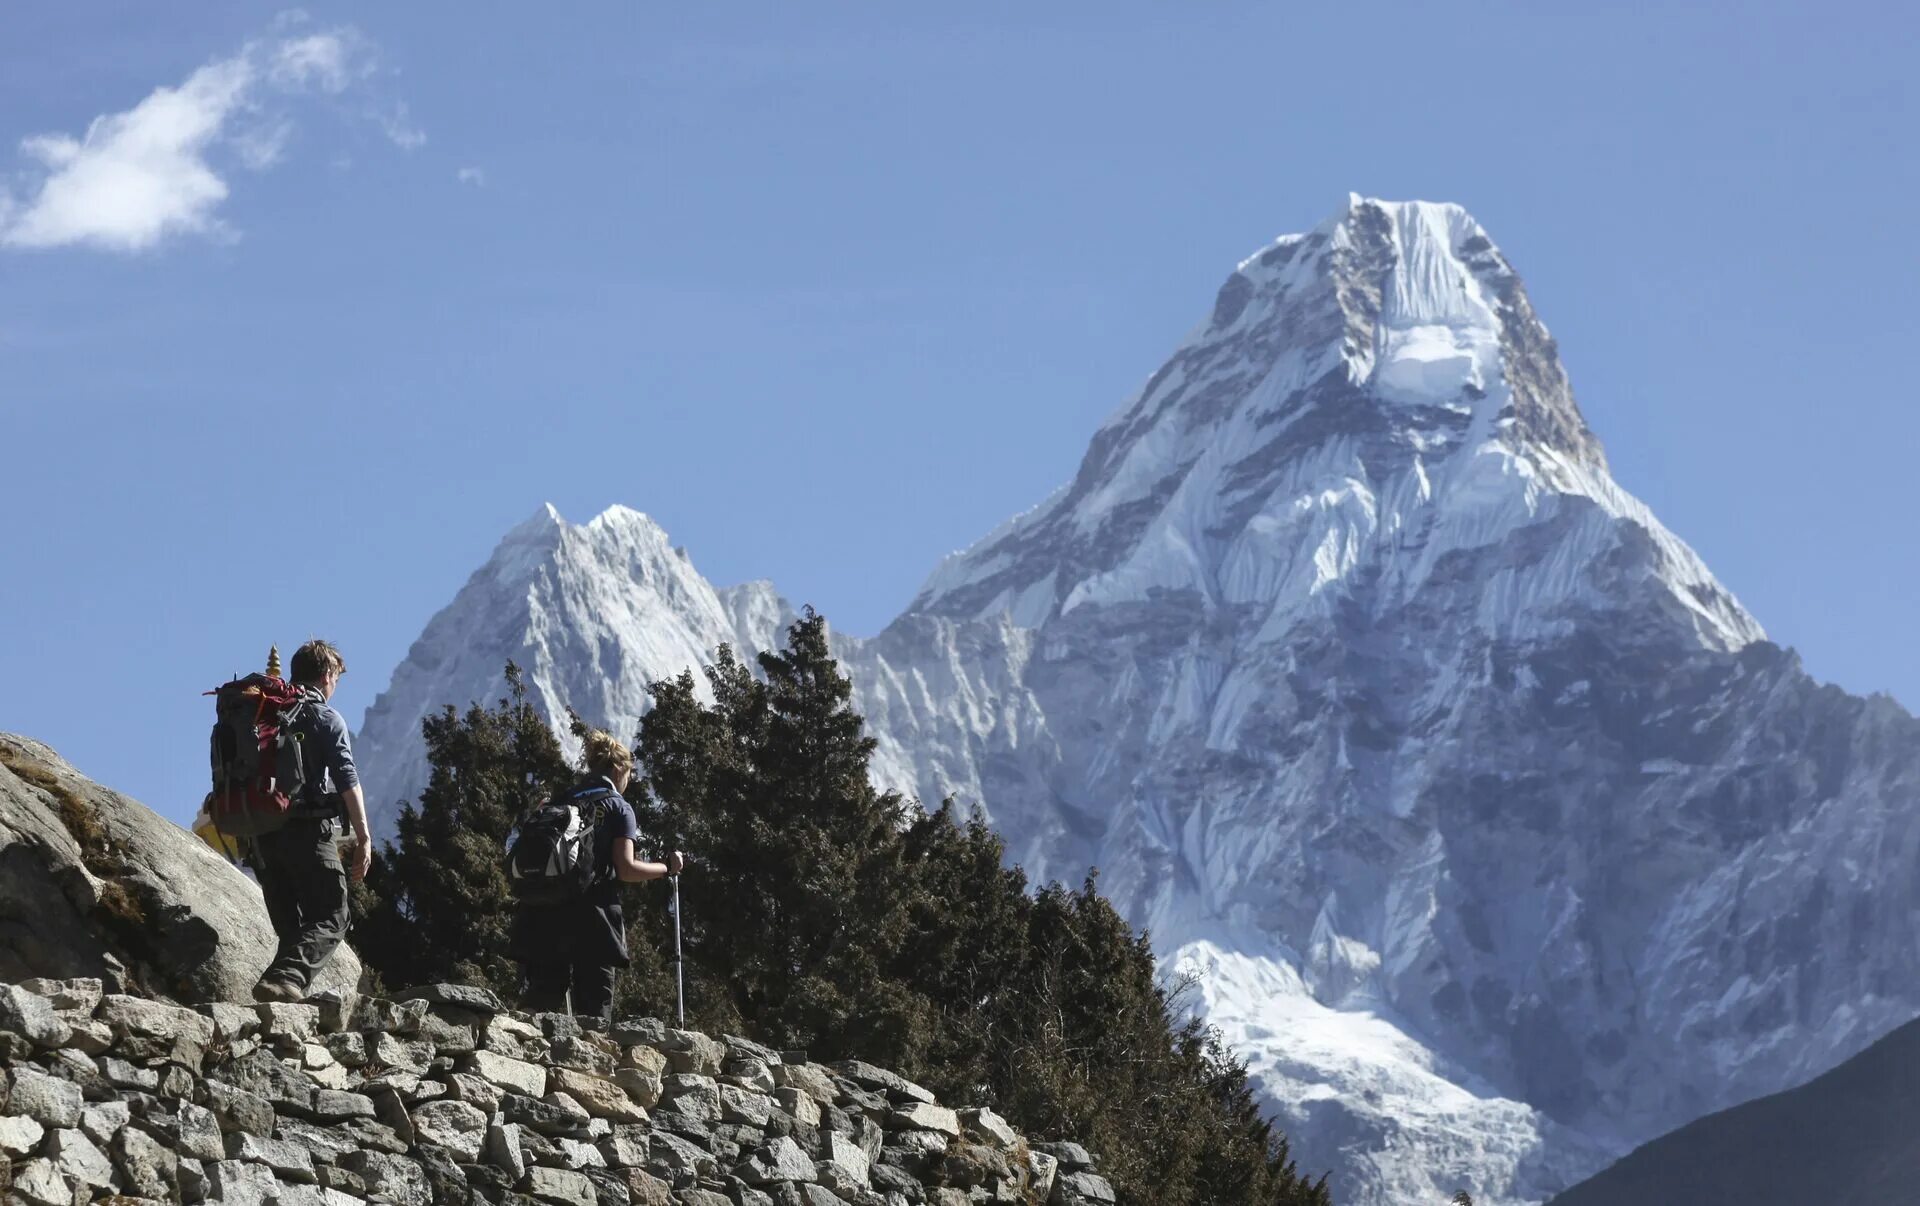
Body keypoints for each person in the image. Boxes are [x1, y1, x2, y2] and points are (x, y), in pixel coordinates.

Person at [511, 728, 685, 1024]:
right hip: (595, 918)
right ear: (619, 769)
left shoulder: (562, 800)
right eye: (629, 774)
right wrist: (667, 868)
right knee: (593, 1014)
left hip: (544, 913)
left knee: (540, 1001)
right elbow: (627, 869)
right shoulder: (618, 806)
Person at [249, 639, 372, 1003]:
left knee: (292, 928)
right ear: (327, 675)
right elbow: (347, 777)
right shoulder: (324, 717)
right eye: (336, 677)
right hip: (305, 828)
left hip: (261, 836)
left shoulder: (263, 712)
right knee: (333, 913)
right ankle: (287, 978)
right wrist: (363, 836)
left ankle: (282, 995)